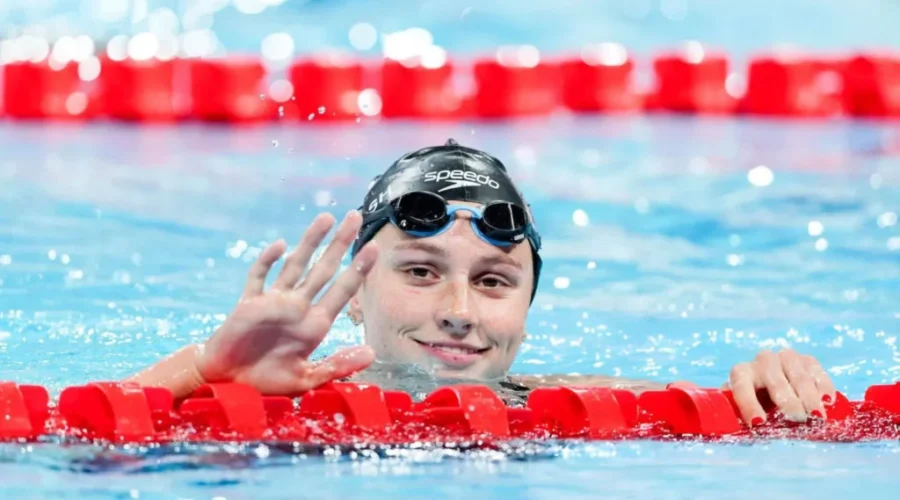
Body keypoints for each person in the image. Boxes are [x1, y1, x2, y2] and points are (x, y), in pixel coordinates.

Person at [128, 139, 836, 427]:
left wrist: (781, 387)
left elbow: (746, 416)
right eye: (419, 272)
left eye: (494, 282)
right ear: (353, 301)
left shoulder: (577, 403)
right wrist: (202, 371)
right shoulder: (278, 397)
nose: (460, 313)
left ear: (527, 312)